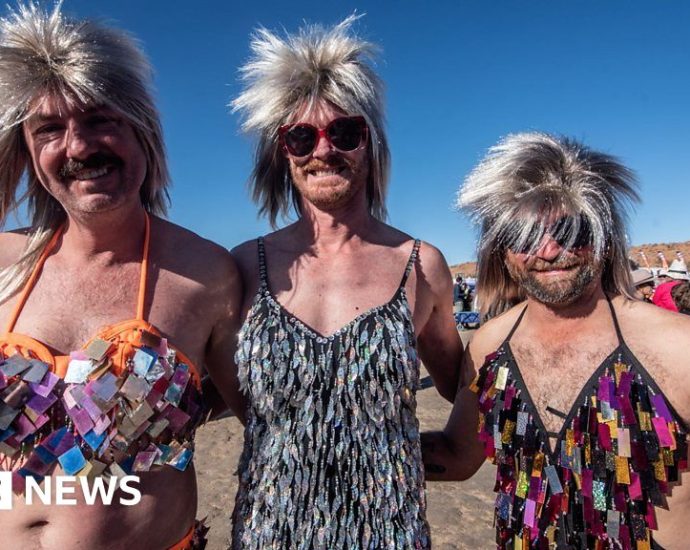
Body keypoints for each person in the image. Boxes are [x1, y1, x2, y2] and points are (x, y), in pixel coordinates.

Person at [0, 5, 244, 548]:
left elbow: (255, 407)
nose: (79, 146)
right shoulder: (3, 262)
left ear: (143, 132)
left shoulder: (205, 273)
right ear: (28, 150)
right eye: (49, 129)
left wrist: (158, 411)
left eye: (100, 119)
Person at [230, 15, 466, 549]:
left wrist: (436, 453)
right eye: (300, 137)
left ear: (370, 143)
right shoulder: (246, 267)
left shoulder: (421, 265)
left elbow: (462, 385)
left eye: (343, 132)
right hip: (267, 534)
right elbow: (219, 396)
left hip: (391, 535)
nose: (323, 149)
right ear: (282, 154)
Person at [422, 133, 689, 548]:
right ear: (502, 250)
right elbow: (458, 456)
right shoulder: (491, 344)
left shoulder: (678, 346)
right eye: (524, 237)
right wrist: (357, 447)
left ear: (604, 236)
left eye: (571, 230)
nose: (547, 251)